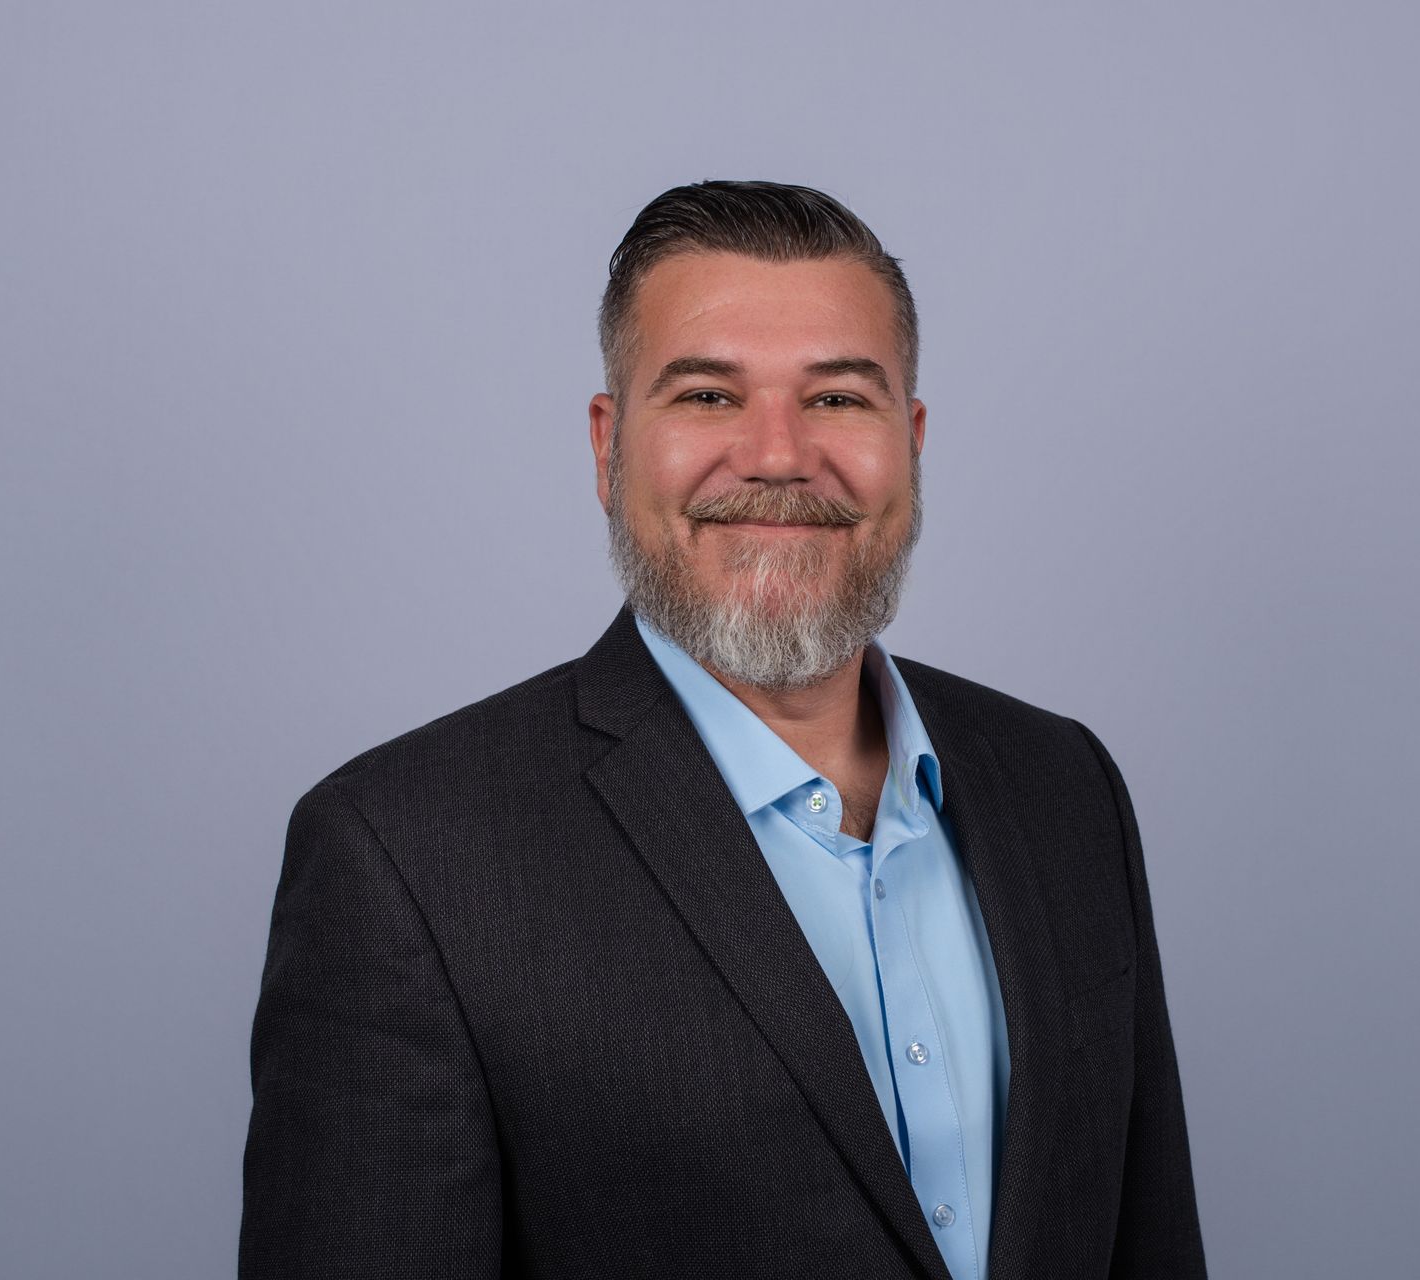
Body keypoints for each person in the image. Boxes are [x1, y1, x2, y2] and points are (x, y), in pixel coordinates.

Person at [241, 180, 1207, 1280]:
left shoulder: (1065, 784)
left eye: (840, 399)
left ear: (913, 439)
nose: (779, 455)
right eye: (707, 395)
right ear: (609, 447)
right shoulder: (403, 857)